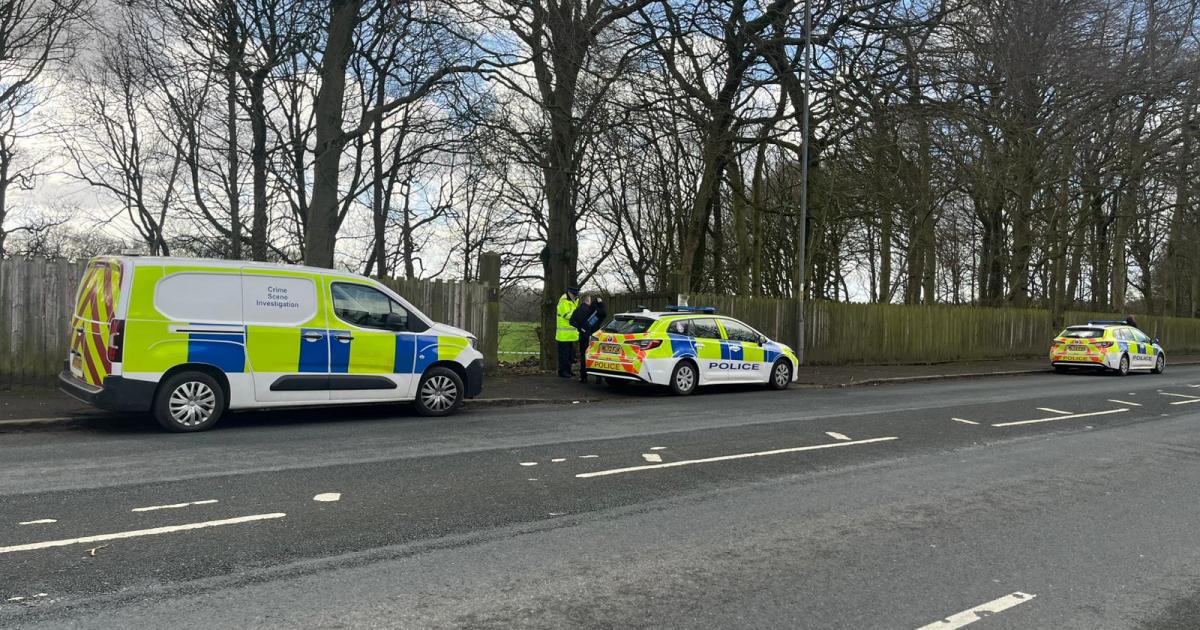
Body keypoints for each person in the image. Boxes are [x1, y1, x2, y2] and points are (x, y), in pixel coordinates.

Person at [571, 294, 607, 383]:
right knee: (596, 355)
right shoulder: (594, 310)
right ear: (588, 300)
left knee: (584, 355)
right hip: (594, 337)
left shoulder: (577, 310)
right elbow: (604, 313)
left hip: (583, 336)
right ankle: (598, 377)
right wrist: (601, 303)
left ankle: (583, 377)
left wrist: (580, 328)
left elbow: (571, 321)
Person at [555, 286, 580, 378]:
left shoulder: (574, 301)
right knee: (564, 355)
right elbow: (567, 315)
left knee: (569, 355)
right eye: (574, 294)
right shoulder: (563, 301)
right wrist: (579, 314)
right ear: (569, 293)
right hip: (563, 335)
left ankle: (568, 370)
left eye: (576, 294)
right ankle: (562, 372)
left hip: (570, 335)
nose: (575, 296)